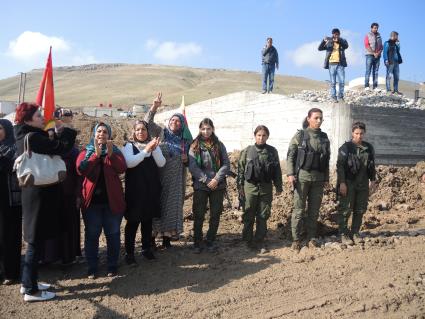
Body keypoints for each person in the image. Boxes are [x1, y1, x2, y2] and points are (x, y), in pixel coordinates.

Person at [14, 102, 77, 302]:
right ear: (28, 119)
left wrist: (57, 131)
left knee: (35, 240)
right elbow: (62, 148)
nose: (42, 117)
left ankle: (28, 282)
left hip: (34, 193)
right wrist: (66, 127)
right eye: (38, 115)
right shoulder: (33, 138)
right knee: (34, 243)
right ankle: (32, 291)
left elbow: (51, 146)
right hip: (38, 195)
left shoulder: (26, 135)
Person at [76, 122, 126, 279]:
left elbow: (121, 168)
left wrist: (110, 155)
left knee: (113, 234)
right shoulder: (86, 151)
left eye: (105, 132)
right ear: (94, 134)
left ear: (109, 135)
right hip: (92, 205)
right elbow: (80, 169)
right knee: (92, 235)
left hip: (112, 203)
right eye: (99, 131)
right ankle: (92, 267)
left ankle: (112, 265)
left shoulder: (115, 151)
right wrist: (95, 156)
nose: (102, 134)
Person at [144, 93, 193, 248]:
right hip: (158, 179)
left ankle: (166, 239)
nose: (174, 122)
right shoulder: (161, 133)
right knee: (155, 206)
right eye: (172, 120)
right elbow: (146, 123)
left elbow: (193, 162)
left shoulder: (186, 142)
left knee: (171, 209)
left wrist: (187, 161)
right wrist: (155, 106)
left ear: (182, 125)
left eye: (178, 121)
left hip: (176, 182)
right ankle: (151, 238)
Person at [39, 108, 82, 265]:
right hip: (48, 191)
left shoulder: (73, 148)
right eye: (63, 116)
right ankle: (48, 257)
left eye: (68, 116)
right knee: (50, 224)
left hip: (68, 193)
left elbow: (78, 173)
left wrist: (78, 194)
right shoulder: (44, 145)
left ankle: (67, 257)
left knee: (67, 225)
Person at [121, 120, 165, 264]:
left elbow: (161, 163)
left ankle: (146, 249)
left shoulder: (153, 145)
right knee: (133, 222)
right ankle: (129, 253)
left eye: (143, 129)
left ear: (147, 132)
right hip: (135, 191)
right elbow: (130, 163)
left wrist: (155, 149)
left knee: (147, 221)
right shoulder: (129, 146)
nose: (141, 132)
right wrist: (146, 150)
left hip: (150, 190)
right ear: (134, 132)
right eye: (138, 129)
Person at [287, 108, 330, 251]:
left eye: (321, 118)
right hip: (302, 177)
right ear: (308, 119)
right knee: (299, 210)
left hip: (318, 178)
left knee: (314, 210)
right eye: (316, 118)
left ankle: (311, 237)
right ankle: (296, 239)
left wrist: (326, 178)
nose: (319, 121)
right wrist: (290, 174)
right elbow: (291, 156)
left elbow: (326, 159)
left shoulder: (324, 137)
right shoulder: (300, 135)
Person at [237, 125, 282, 252]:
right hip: (250, 187)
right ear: (255, 136)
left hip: (266, 188)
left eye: (264, 135)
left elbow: (277, 170)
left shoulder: (272, 151)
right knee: (248, 213)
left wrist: (278, 186)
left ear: (267, 136)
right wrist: (239, 187)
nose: (261, 138)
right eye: (259, 135)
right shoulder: (246, 151)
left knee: (263, 215)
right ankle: (247, 240)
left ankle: (259, 241)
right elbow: (240, 170)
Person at [188, 118, 230, 253]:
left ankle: (210, 240)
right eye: (203, 129)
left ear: (213, 129)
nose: (206, 131)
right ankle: (197, 241)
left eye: (208, 128)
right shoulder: (194, 146)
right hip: (201, 185)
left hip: (218, 185)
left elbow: (226, 164)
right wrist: (206, 180)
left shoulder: (219, 145)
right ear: (200, 130)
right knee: (199, 214)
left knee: (215, 214)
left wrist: (216, 179)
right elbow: (193, 167)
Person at [337, 122, 376, 245]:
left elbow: (371, 165)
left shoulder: (368, 148)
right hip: (349, 183)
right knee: (346, 209)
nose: (359, 136)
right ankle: (343, 234)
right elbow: (340, 166)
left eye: (361, 133)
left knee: (360, 209)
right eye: (356, 133)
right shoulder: (346, 147)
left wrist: (373, 180)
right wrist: (342, 183)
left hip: (363, 183)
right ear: (352, 133)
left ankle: (355, 232)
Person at [0, 119, 22, 285]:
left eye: (0, 128)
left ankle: (11, 272)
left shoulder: (14, 148)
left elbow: (15, 166)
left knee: (10, 237)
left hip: (10, 201)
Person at [318, 28, 349, 102]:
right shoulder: (329, 41)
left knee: (342, 82)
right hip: (331, 64)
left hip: (340, 64)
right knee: (333, 82)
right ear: (332, 34)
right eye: (334, 34)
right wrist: (323, 40)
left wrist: (338, 41)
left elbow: (346, 46)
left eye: (337, 34)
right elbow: (320, 48)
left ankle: (340, 97)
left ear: (339, 34)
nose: (336, 35)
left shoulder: (342, 41)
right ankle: (333, 97)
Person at [364, 22, 383, 90]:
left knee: (376, 71)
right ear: (371, 28)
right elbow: (366, 45)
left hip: (377, 56)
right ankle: (366, 86)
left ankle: (375, 86)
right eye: (375, 28)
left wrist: (378, 53)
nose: (376, 29)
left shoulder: (379, 36)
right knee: (368, 70)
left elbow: (381, 46)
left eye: (377, 28)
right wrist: (373, 53)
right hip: (369, 55)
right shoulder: (367, 35)